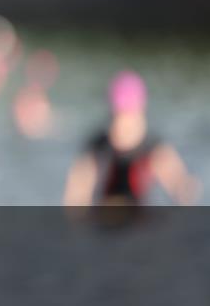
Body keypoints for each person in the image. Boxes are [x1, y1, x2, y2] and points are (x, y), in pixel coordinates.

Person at [63, 71, 200, 207]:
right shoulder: (98, 147)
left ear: (140, 115)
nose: (123, 128)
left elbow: (178, 184)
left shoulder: (152, 148)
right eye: (119, 118)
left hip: (140, 219)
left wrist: (185, 189)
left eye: (129, 119)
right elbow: (76, 194)